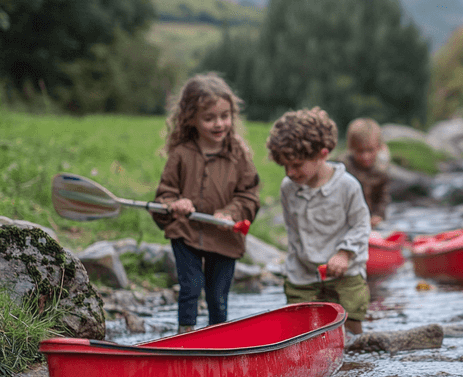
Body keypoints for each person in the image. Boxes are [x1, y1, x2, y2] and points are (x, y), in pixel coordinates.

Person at [153, 73, 260, 333]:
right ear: (191, 118)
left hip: (224, 238)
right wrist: (174, 204)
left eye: (225, 116)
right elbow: (163, 198)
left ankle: (217, 339)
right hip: (186, 233)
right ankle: (184, 335)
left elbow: (249, 196)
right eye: (209, 118)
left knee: (217, 295)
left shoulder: (238, 156)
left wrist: (230, 213)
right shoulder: (180, 154)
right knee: (190, 286)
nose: (219, 123)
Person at [266, 107, 371, 335]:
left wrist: (345, 253)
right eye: (285, 165)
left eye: (296, 165)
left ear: (322, 154)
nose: (290, 172)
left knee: (351, 322)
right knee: (299, 328)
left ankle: (355, 365)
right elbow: (293, 231)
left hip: (345, 272)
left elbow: (361, 225)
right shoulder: (288, 187)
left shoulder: (347, 186)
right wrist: (292, 265)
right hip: (303, 274)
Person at [338, 117, 391, 227]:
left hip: (370, 219)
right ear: (351, 148)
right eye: (360, 151)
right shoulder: (343, 167)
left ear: (379, 147)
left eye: (370, 150)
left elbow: (383, 198)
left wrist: (378, 215)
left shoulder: (380, 170)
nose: (365, 156)